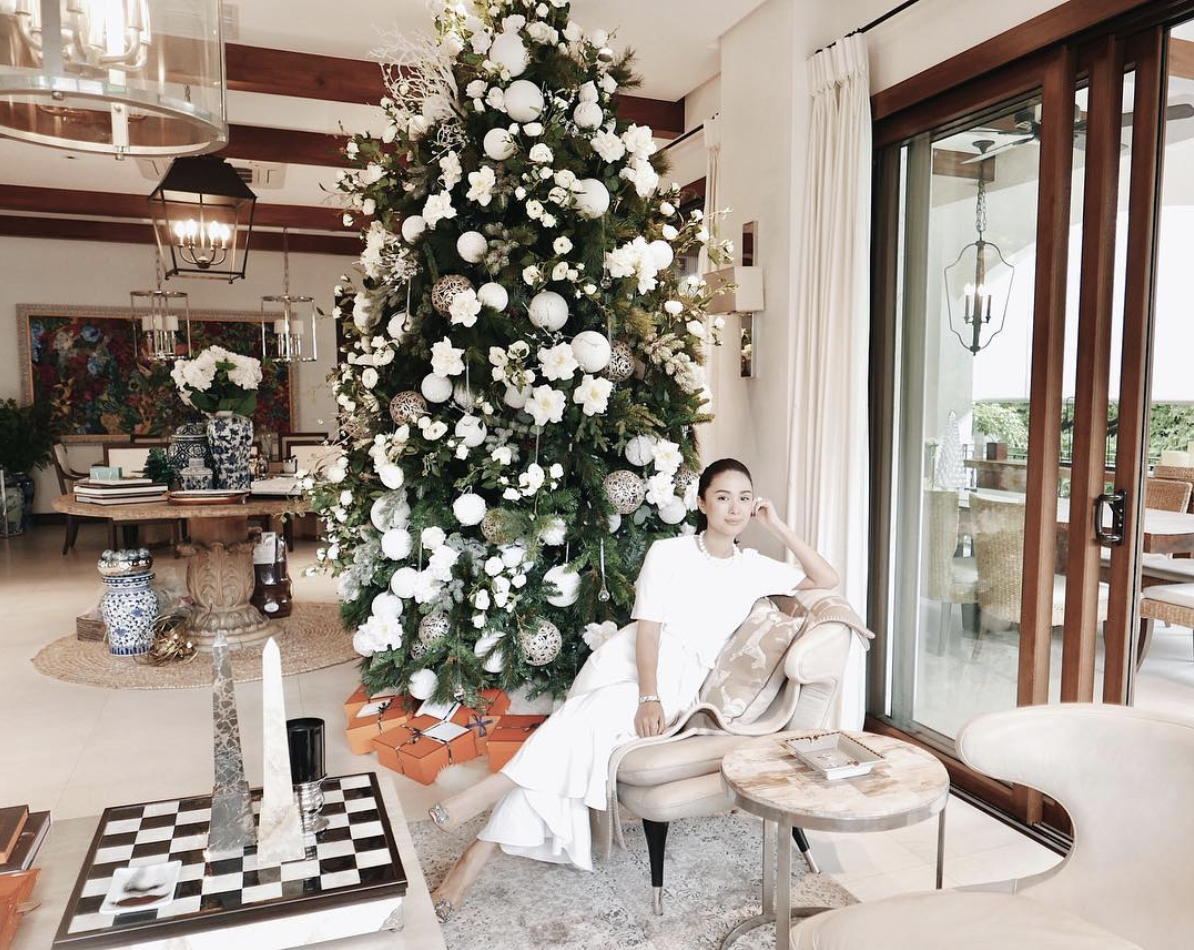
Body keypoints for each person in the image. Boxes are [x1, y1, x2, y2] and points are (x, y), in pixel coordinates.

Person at [428, 458, 839, 920]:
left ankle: (473, 844)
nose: (735, 508)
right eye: (723, 497)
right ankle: (472, 848)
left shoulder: (754, 568)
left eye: (745, 498)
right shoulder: (668, 552)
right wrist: (648, 695)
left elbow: (827, 579)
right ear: (702, 503)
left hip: (683, 678)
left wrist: (778, 526)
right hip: (630, 662)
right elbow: (648, 630)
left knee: (580, 724)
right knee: (580, 726)